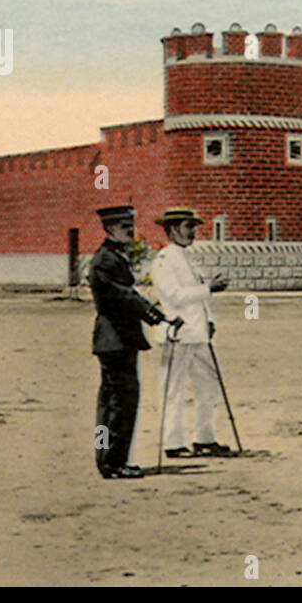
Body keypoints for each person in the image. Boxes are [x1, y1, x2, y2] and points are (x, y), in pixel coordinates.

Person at [89, 205, 176, 479]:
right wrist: (154, 314)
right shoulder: (106, 259)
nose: (131, 230)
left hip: (116, 339)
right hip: (116, 338)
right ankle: (112, 463)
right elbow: (122, 295)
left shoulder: (113, 256)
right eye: (124, 226)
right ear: (111, 228)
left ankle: (110, 460)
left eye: (131, 225)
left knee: (112, 402)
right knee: (120, 403)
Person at [151, 206, 231, 458]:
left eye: (194, 226)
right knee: (175, 388)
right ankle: (174, 443)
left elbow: (202, 297)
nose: (194, 232)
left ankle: (205, 437)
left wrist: (211, 320)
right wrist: (209, 288)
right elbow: (174, 295)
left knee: (209, 384)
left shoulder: (189, 258)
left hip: (199, 333)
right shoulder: (164, 260)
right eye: (189, 226)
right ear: (173, 229)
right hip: (180, 331)